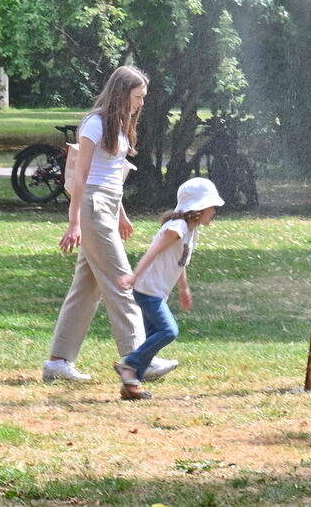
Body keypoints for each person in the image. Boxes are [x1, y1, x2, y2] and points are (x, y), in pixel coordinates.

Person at [42, 65, 176, 383]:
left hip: (106, 206)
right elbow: (82, 177)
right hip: (91, 207)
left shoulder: (118, 124)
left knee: (85, 290)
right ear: (121, 92)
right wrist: (74, 222)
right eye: (137, 96)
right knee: (122, 282)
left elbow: (113, 175)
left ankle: (58, 362)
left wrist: (122, 213)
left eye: (143, 97)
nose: (141, 103)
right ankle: (139, 358)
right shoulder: (95, 123)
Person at [114, 177, 222, 400]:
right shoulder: (177, 227)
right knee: (168, 331)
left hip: (156, 291)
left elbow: (179, 261)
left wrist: (184, 289)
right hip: (147, 290)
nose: (214, 211)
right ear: (198, 208)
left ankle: (131, 386)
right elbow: (154, 250)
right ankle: (130, 365)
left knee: (153, 336)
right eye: (211, 207)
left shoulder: (190, 230)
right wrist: (134, 276)